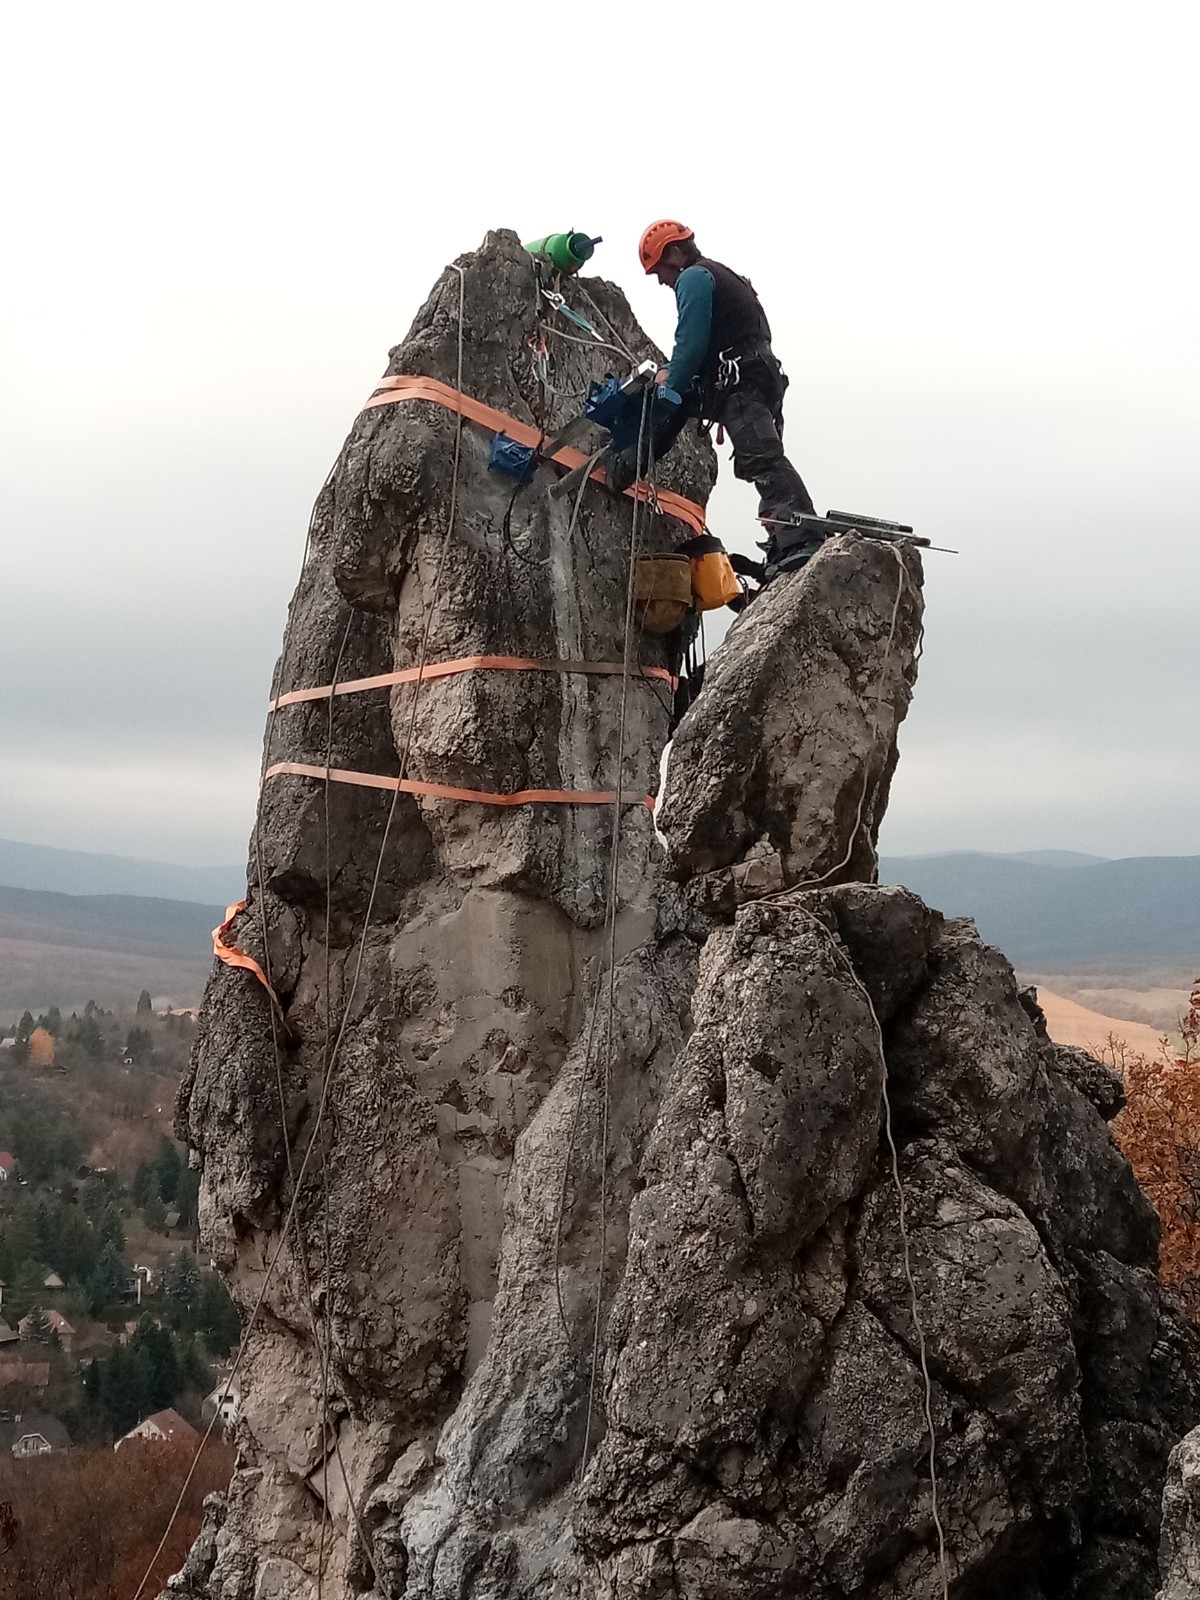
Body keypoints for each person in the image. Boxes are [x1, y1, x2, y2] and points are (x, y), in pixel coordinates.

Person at [623, 221, 821, 569]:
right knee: (753, 457)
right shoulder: (720, 275)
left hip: (742, 381)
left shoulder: (694, 277)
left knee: (761, 458)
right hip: (755, 376)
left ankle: (799, 536)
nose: (660, 280)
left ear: (674, 253)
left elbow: (692, 342)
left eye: (660, 270)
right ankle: (783, 538)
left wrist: (670, 385)